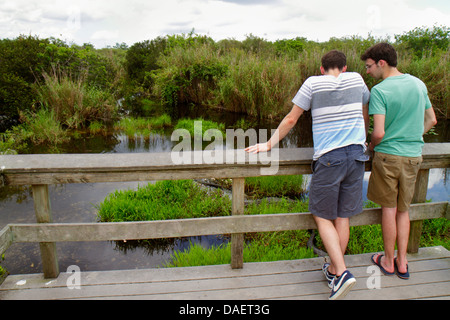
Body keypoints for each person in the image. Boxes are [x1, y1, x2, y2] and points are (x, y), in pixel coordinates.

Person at [246, 50, 370, 300]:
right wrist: (364, 138)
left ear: (321, 68)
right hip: (357, 155)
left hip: (330, 158)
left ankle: (343, 273)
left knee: (322, 215)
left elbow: (292, 119)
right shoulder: (357, 79)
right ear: (344, 68)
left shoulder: (313, 83)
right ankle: (335, 270)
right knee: (343, 216)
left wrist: (269, 144)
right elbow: (364, 110)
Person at [361, 43, 437, 280]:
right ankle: (403, 263)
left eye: (369, 66)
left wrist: (371, 146)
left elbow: (379, 132)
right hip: (413, 156)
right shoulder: (418, 84)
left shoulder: (381, 91)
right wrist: (414, 137)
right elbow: (432, 120)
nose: (367, 71)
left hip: (388, 157)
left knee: (389, 209)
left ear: (381, 63)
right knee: (404, 211)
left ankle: (387, 260)